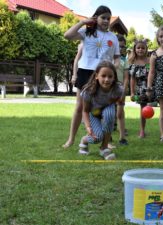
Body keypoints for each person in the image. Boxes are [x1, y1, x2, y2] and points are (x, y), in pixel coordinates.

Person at [63, 5, 120, 148]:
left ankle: (107, 141)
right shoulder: (86, 32)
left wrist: (114, 68)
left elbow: (117, 58)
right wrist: (83, 22)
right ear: (96, 18)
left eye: (108, 18)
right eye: (103, 18)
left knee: (105, 107)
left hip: (103, 76)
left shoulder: (113, 37)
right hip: (85, 72)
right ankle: (71, 139)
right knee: (80, 106)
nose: (106, 21)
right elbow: (67, 35)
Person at [78, 61, 123, 159]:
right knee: (97, 138)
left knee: (110, 113)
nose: (107, 79)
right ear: (96, 76)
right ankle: (84, 140)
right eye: (103, 76)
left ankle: (104, 148)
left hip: (105, 111)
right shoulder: (88, 91)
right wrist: (88, 127)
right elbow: (85, 111)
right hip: (92, 114)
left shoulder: (118, 90)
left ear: (114, 77)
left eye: (110, 76)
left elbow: (118, 103)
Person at [128, 39, 152, 138]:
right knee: (143, 108)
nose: (140, 50)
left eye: (143, 48)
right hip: (141, 88)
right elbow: (132, 78)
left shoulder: (149, 60)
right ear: (135, 49)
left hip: (151, 86)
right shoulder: (132, 61)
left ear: (146, 49)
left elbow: (152, 73)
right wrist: (132, 92)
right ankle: (142, 130)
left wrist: (150, 88)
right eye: (138, 48)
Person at [116, 34, 129, 145]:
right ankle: (108, 136)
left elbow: (126, 77)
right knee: (107, 113)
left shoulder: (124, 60)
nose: (120, 49)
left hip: (120, 89)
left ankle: (122, 138)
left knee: (120, 113)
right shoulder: (107, 57)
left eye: (122, 47)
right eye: (118, 46)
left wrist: (124, 90)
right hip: (107, 90)